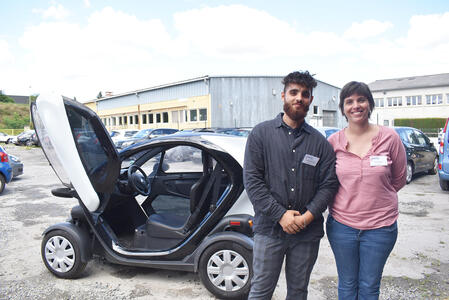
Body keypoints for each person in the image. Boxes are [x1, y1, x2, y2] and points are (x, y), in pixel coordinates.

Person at [243, 71, 339, 300]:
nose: (299, 98)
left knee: (298, 292)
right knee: (260, 291)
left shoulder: (320, 143)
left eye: (305, 94)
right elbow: (253, 182)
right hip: (269, 230)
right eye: (294, 93)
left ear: (310, 100)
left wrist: (306, 217)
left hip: (307, 233)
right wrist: (281, 215)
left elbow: (328, 185)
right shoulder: (261, 134)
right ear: (283, 96)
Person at [326, 81, 407, 300]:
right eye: (349, 101)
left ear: (370, 104)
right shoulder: (333, 142)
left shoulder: (390, 138)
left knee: (370, 286)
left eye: (361, 99)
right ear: (343, 108)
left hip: (381, 228)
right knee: (347, 284)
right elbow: (327, 182)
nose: (356, 105)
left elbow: (398, 179)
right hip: (342, 227)